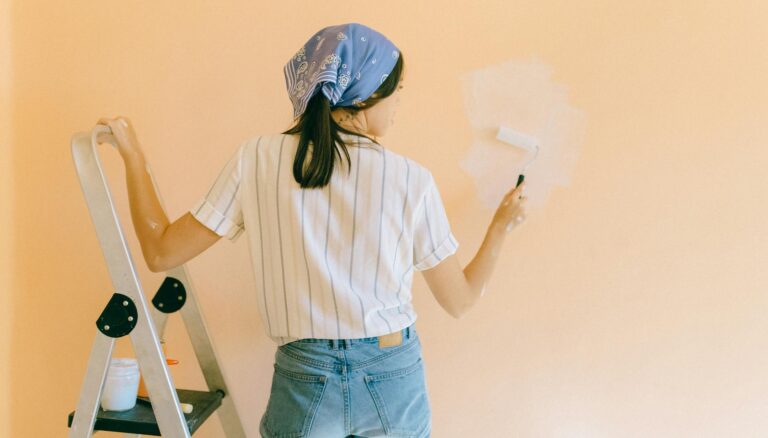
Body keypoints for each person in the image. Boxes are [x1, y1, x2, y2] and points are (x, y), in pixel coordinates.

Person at [97, 22, 526, 438]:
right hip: (392, 374)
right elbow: (460, 300)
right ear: (365, 96)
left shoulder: (257, 159)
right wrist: (501, 226)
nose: (398, 105)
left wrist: (133, 157)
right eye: (394, 93)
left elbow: (160, 251)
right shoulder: (410, 179)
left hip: (306, 376)